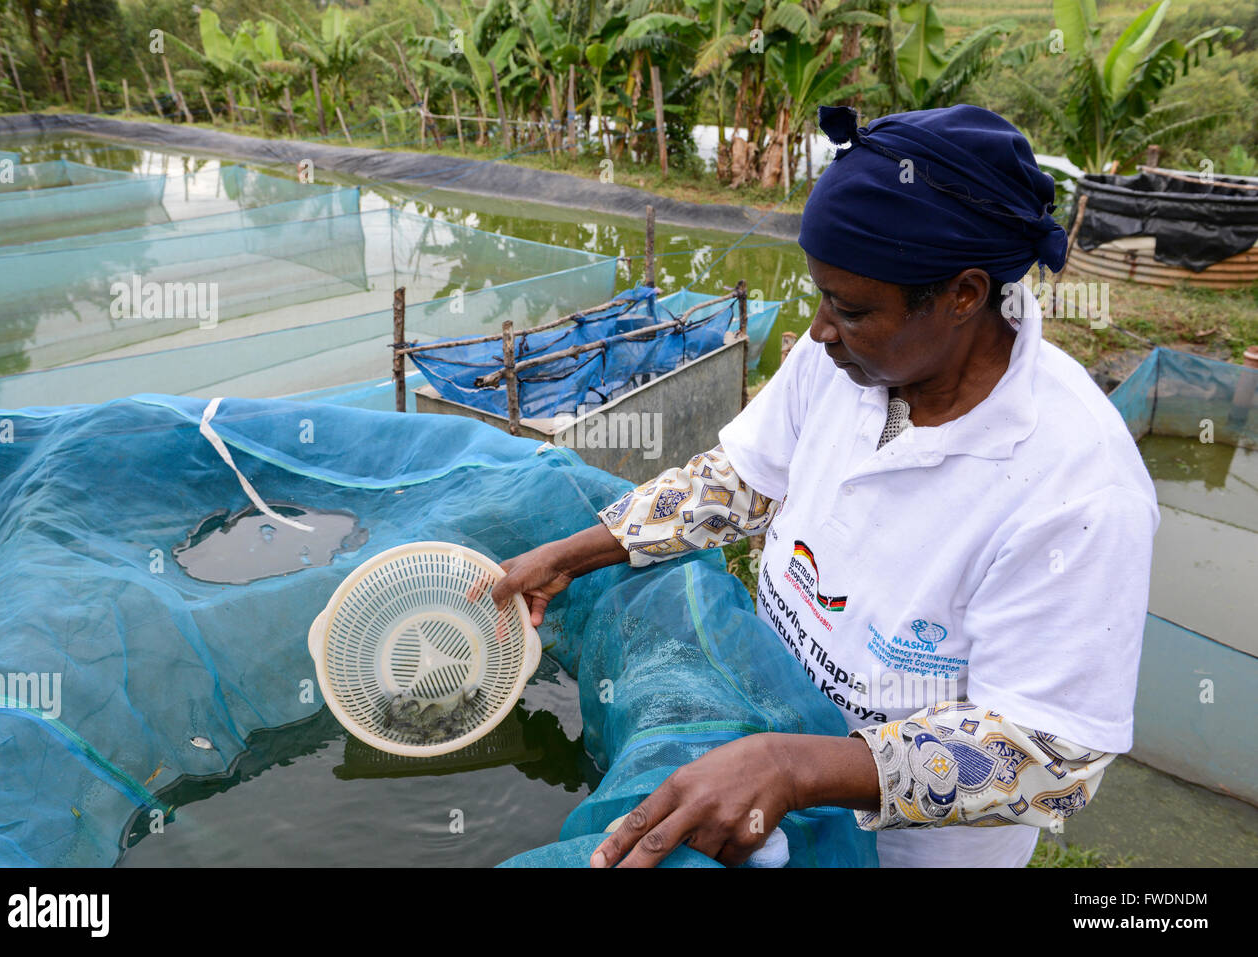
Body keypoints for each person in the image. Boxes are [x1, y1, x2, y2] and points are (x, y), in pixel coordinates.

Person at [488, 104, 1159, 868]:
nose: (817, 330)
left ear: (965, 294)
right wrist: (574, 555)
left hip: (909, 853)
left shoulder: (1078, 490)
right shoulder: (848, 362)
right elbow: (738, 481)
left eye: (849, 307)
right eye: (820, 296)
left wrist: (798, 767)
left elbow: (1052, 755)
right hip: (754, 765)